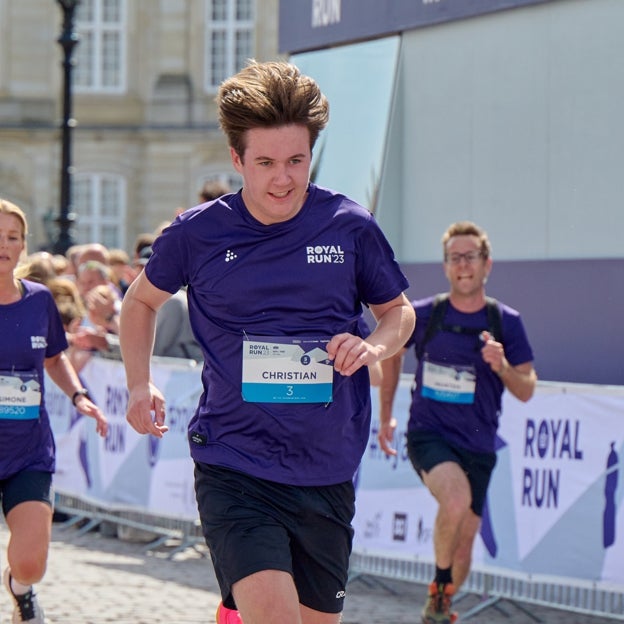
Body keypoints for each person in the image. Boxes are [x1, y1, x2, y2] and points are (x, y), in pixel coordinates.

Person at [119, 59, 415, 624]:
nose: (284, 179)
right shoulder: (197, 233)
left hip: (325, 467)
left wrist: (375, 345)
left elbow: (397, 313)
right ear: (237, 160)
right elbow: (139, 302)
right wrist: (139, 383)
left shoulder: (349, 226)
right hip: (235, 461)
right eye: (266, 163)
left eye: (297, 161)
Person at [378, 220, 537, 624]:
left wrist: (501, 366)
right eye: (454, 258)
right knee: (454, 499)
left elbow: (526, 388)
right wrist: (385, 416)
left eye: (471, 257)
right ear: (446, 266)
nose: (462, 265)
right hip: (429, 435)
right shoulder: (425, 314)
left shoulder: (506, 322)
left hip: (479, 444)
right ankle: (438, 584)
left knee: (466, 542)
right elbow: (390, 352)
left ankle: (441, 605)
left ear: (487, 264)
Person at [0, 199, 108, 624]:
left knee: (31, 563)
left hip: (27, 449)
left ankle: (20, 588)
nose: (4, 245)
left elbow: (54, 358)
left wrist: (79, 396)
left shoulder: (40, 300)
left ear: (24, 246)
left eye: (13, 237)